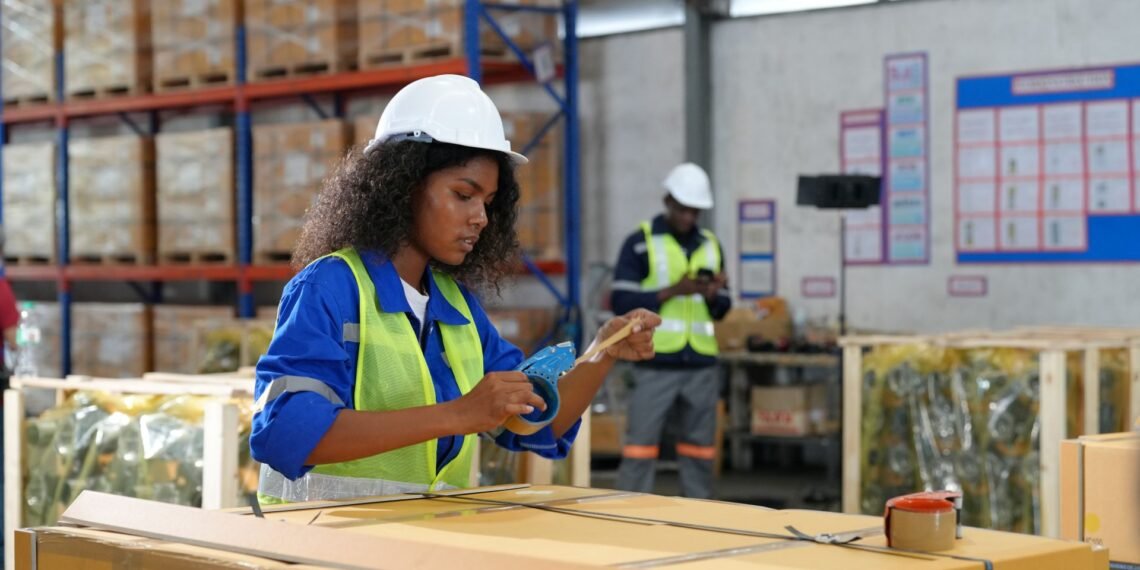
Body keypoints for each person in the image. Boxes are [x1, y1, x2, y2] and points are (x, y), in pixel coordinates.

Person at [251, 74, 661, 503]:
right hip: (323, 548)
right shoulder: (330, 288)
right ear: (401, 186)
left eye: (487, 202)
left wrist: (601, 352)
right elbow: (284, 433)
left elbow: (533, 422)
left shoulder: (456, 307)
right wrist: (459, 414)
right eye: (464, 194)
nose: (481, 218)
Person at [609, 163, 731, 499]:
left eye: (695, 211)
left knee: (700, 451)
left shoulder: (711, 245)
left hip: (701, 365)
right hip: (655, 362)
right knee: (641, 448)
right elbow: (620, 300)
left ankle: (698, 516)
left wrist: (712, 294)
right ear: (668, 201)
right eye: (683, 209)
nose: (689, 217)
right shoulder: (640, 243)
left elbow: (723, 308)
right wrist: (671, 291)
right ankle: (628, 517)